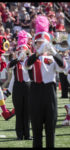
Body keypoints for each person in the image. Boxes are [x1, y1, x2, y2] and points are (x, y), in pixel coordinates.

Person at [25, 15, 67, 148]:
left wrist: (54, 53)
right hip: (36, 92)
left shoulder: (52, 58)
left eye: (43, 42)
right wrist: (37, 53)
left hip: (50, 92)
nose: (41, 44)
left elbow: (64, 67)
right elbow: (26, 65)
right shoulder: (32, 57)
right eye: (39, 42)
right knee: (37, 130)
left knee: (51, 130)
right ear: (35, 43)